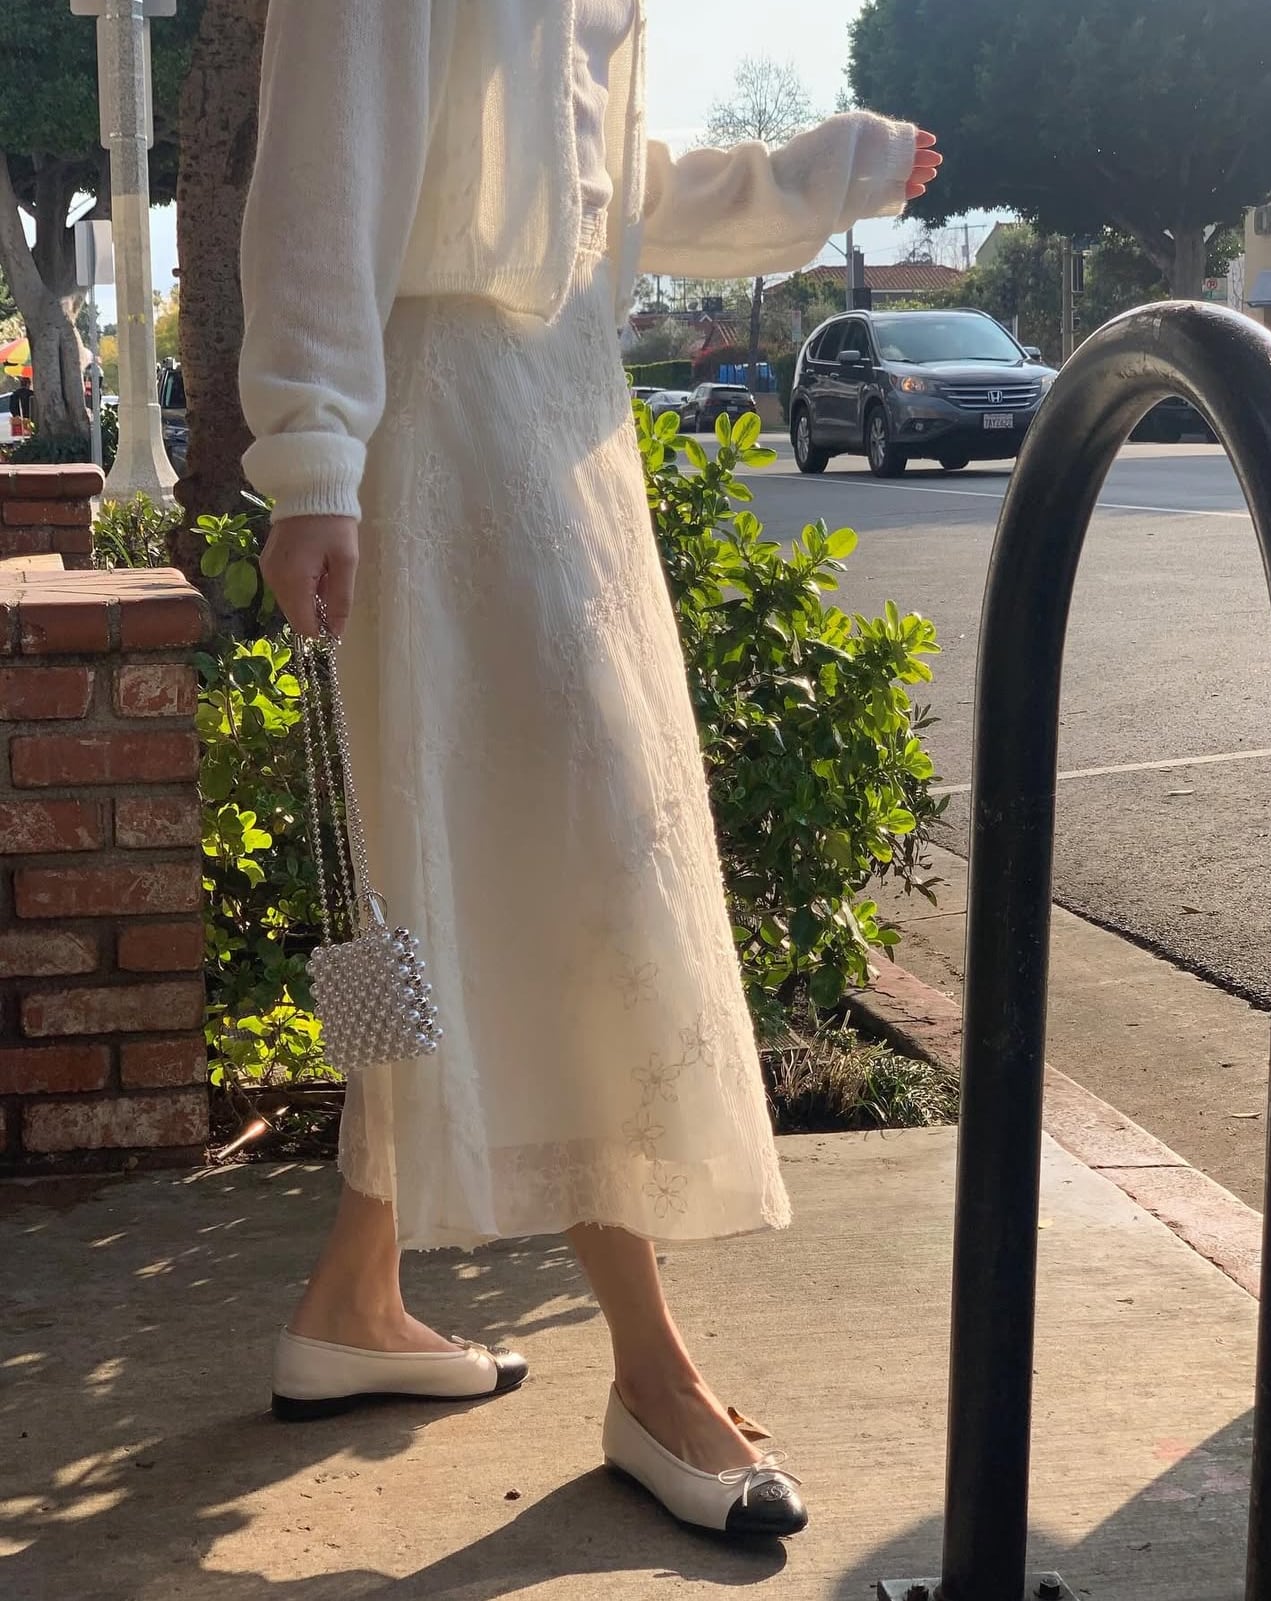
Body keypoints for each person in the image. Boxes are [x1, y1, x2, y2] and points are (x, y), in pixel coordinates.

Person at [239, 0, 940, 1541]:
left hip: (559, 413)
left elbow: (601, 188)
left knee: (471, 877)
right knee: (584, 876)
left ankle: (353, 1299)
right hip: (440, 428)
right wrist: (311, 459)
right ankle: (649, 1367)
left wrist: (819, 172)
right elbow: (324, 167)